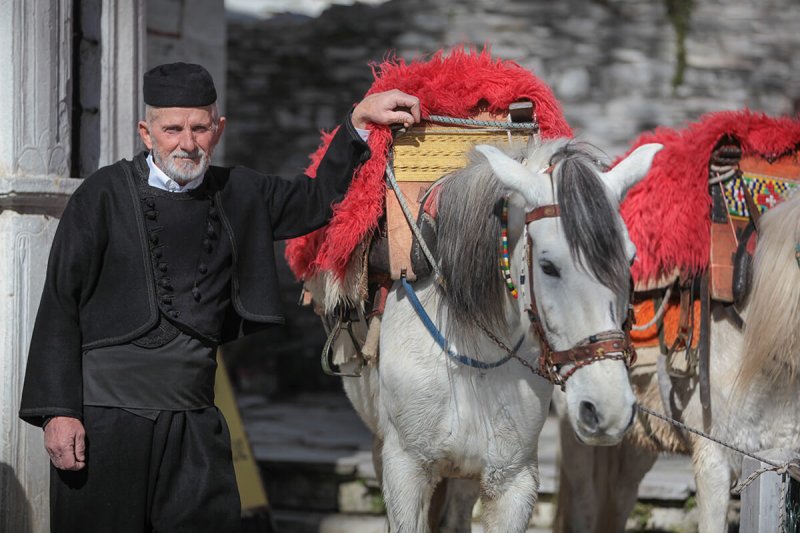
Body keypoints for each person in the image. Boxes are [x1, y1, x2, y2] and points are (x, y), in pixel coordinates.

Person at [18, 62, 420, 533]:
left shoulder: (241, 192)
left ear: (218, 129)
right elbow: (60, 303)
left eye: (200, 128)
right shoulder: (100, 196)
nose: (186, 142)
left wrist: (358, 122)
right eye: (172, 129)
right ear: (147, 133)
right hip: (106, 425)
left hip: (194, 422)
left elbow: (315, 199)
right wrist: (58, 412)